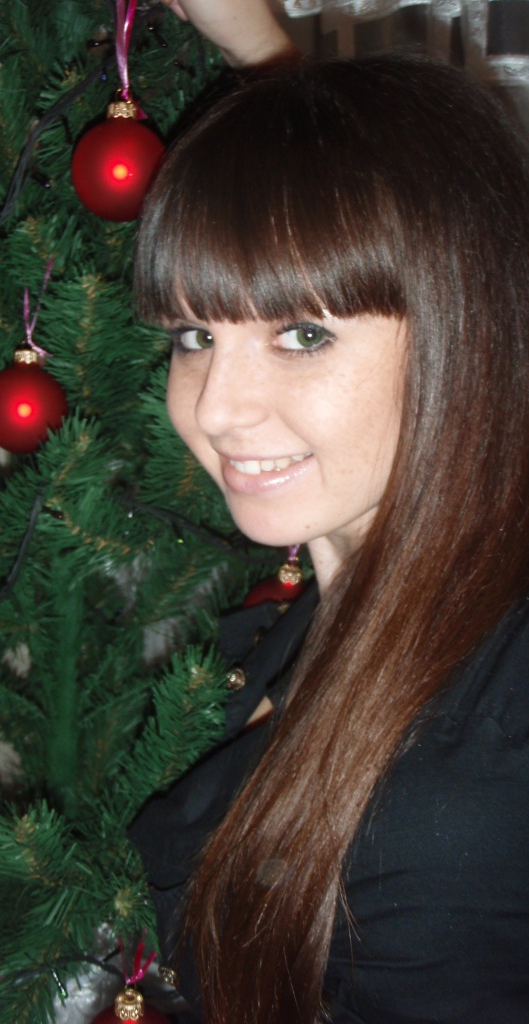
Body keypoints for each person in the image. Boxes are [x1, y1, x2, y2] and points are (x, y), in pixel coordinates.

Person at [128, 2, 529, 1021]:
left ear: (465, 330)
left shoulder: (451, 814)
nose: (215, 410)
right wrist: (263, 51)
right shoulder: (404, 555)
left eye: (302, 335)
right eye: (192, 336)